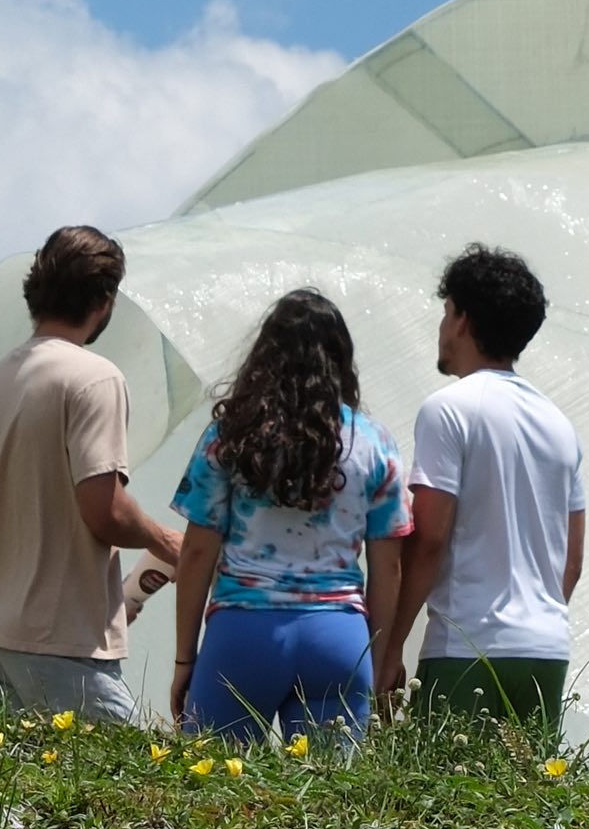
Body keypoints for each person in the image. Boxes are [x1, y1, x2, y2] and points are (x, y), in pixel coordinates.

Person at [0, 226, 182, 725]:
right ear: (105, 302)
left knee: (24, 792)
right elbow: (105, 510)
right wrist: (165, 540)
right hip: (63, 634)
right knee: (126, 787)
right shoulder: (94, 378)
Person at [167, 289, 411, 748]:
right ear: (342, 361)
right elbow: (388, 567)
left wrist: (185, 660)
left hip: (243, 632)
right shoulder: (376, 443)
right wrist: (375, 664)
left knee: (212, 800)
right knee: (332, 807)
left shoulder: (230, 435)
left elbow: (197, 550)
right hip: (338, 636)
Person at [388, 245, 586, 736]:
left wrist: (390, 648)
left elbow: (429, 539)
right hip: (545, 650)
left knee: (438, 805)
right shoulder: (560, 425)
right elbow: (572, 561)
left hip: (467, 648)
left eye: (446, 311)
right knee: (519, 807)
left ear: (461, 320)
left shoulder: (448, 409)